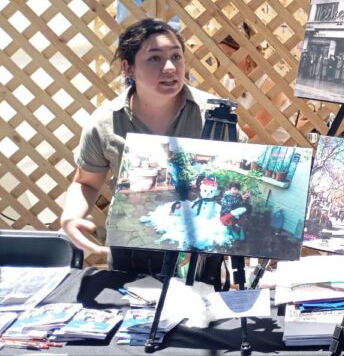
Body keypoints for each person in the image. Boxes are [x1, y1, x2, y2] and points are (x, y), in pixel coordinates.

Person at [61, 18, 245, 272]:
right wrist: (71, 217)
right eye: (154, 58)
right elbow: (86, 183)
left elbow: (240, 174)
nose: (169, 67)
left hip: (200, 258)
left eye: (176, 57)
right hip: (130, 254)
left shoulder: (215, 116)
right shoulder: (105, 122)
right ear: (128, 68)